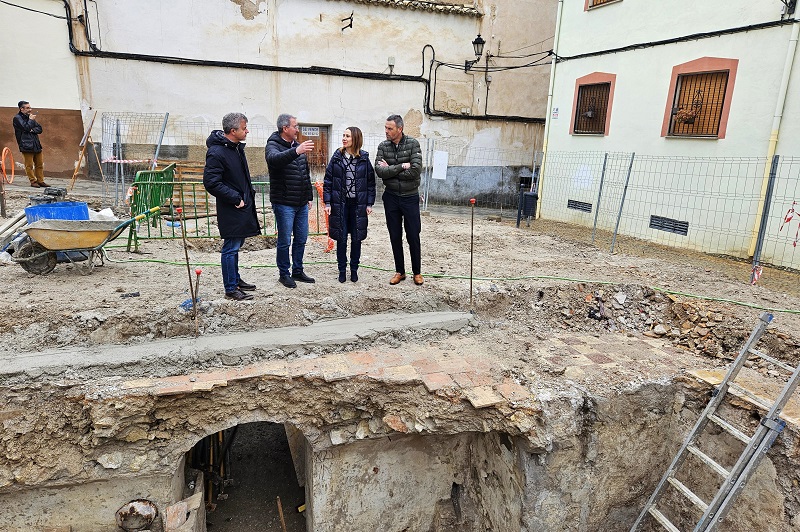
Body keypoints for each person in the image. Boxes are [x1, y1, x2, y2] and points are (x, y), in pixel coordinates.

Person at [203, 112, 261, 301]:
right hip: (232, 207)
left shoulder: (235, 148)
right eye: (244, 128)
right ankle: (230, 288)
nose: (247, 131)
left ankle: (235, 280)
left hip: (241, 205)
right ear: (233, 130)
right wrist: (235, 198)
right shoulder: (217, 152)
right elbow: (211, 182)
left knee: (237, 244)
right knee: (231, 247)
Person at [265, 113, 315, 288]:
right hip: (284, 202)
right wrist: (296, 151)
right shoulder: (273, 145)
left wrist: (309, 196)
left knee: (301, 238)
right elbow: (273, 160)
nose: (297, 129)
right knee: (285, 241)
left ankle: (298, 271)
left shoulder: (297, 145)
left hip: (301, 202)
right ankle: (284, 274)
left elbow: (305, 173)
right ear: (285, 128)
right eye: (295, 126)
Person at [375, 114, 423, 286]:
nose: (386, 131)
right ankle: (400, 271)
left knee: (413, 235)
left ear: (400, 129)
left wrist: (391, 170)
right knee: (395, 235)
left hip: (410, 197)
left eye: (390, 128)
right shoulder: (383, 146)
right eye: (386, 128)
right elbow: (380, 172)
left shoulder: (413, 144)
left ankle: (417, 272)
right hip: (391, 198)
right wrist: (402, 166)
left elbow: (416, 170)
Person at [323, 127, 376, 283]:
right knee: (341, 238)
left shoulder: (364, 159)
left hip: (358, 204)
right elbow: (328, 181)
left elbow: (371, 183)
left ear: (356, 139)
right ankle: (341, 270)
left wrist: (369, 203)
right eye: (343, 135)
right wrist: (327, 202)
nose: (344, 138)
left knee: (356, 238)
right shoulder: (337, 157)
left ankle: (354, 269)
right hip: (340, 204)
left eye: (347, 136)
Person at [12, 101, 50, 188]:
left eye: (30, 107)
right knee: (29, 165)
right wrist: (31, 121)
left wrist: (32, 129)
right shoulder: (17, 118)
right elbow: (26, 127)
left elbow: (39, 129)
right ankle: (33, 181)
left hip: (36, 143)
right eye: (28, 108)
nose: (30, 109)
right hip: (26, 144)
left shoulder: (30, 117)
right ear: (22, 109)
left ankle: (40, 181)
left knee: (39, 164)